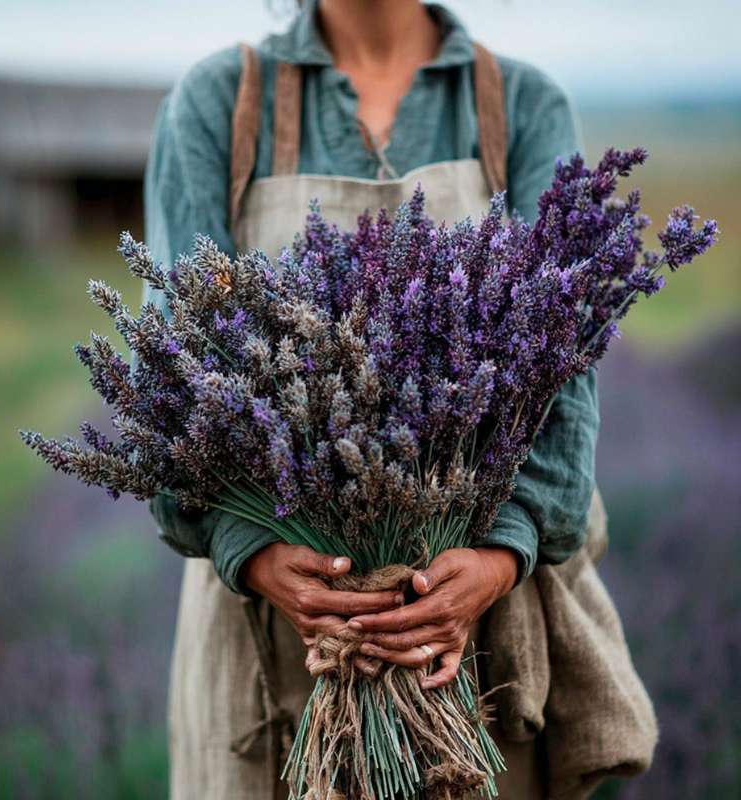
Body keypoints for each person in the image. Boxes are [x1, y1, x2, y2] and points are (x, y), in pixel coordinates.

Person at [143, 1, 655, 797]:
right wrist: (261, 555)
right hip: (271, 645)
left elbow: (566, 372)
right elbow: (167, 378)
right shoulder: (221, 102)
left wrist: (498, 555)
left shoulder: (519, 104)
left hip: (470, 642)